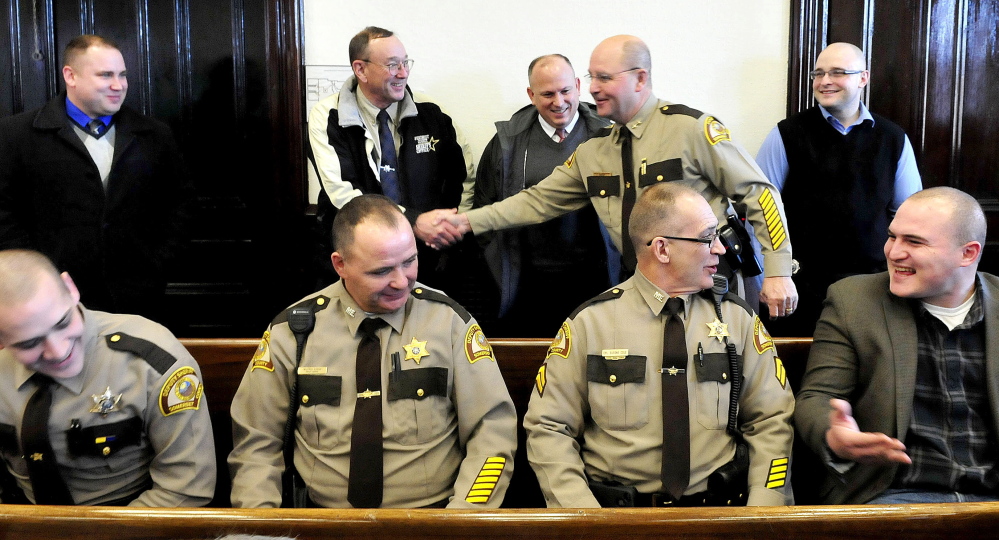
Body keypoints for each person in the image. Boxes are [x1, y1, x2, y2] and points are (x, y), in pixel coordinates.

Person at [422, 35, 799, 320]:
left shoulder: (690, 129)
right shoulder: (594, 150)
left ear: (640, 78)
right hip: (643, 291)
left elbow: (759, 194)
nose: (593, 88)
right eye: (592, 77)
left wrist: (778, 271)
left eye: (603, 78)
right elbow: (535, 202)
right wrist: (464, 221)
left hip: (708, 287)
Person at [228, 194, 517, 509]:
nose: (401, 281)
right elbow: (255, 445)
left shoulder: (448, 323)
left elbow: (492, 433)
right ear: (341, 264)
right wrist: (260, 527)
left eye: (409, 261)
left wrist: (464, 518)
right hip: (322, 522)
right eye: (381, 271)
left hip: (433, 521)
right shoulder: (294, 332)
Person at [523, 183, 794, 507]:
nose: (721, 248)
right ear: (662, 249)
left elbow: (772, 422)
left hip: (722, 517)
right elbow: (548, 428)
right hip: (616, 521)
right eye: (707, 237)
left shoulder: (738, 320)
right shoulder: (590, 325)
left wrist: (763, 511)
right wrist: (584, 518)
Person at [794, 187, 997, 505]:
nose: (893, 252)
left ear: (967, 253)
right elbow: (817, 397)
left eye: (914, 242)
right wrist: (835, 436)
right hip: (896, 496)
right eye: (893, 237)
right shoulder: (853, 300)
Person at [0, 35, 192, 323]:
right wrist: (37, 271)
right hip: (51, 300)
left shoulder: (155, 135)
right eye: (106, 75)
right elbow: (4, 213)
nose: (119, 85)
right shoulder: (15, 135)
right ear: (70, 76)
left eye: (122, 75)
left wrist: (155, 262)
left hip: (138, 298)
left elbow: (180, 205)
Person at [0, 249, 215, 506]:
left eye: (62, 323)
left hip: (132, 520)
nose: (58, 351)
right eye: (30, 343)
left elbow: (186, 488)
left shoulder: (150, 362)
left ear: (70, 288)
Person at [756, 42, 922, 336]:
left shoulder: (893, 138)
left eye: (837, 72)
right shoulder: (786, 134)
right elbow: (759, 210)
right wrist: (770, 275)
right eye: (818, 74)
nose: (824, 81)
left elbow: (910, 216)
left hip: (874, 287)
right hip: (799, 288)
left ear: (863, 78)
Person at [307, 26, 477, 293]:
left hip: (429, 258)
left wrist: (452, 229)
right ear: (360, 69)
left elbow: (462, 174)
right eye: (392, 65)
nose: (403, 72)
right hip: (361, 263)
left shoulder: (430, 111)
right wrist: (412, 221)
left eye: (405, 62)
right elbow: (343, 193)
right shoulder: (327, 115)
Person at [472, 54, 612, 336]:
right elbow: (485, 208)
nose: (558, 102)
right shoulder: (506, 143)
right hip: (527, 287)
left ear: (577, 85)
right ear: (531, 95)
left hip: (597, 283)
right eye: (547, 94)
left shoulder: (608, 136)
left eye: (565, 91)